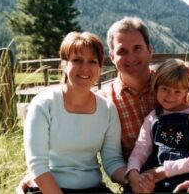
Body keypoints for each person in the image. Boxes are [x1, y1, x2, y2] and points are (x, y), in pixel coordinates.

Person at [18, 16, 189, 193]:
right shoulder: (107, 101)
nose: (131, 57)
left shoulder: (176, 88)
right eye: (122, 51)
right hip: (142, 185)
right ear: (112, 58)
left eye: (137, 48)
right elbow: (53, 158)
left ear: (149, 50)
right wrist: (134, 178)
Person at [21, 31, 127, 194]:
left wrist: (134, 179)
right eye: (77, 60)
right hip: (48, 189)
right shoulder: (44, 104)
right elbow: (37, 165)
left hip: (93, 190)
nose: (85, 68)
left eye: (92, 61)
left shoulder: (107, 109)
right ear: (64, 64)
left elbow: (112, 161)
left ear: (99, 68)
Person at [125, 59, 189, 192]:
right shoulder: (152, 117)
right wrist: (133, 172)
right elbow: (140, 151)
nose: (170, 96)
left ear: (187, 91)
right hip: (153, 179)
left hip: (187, 179)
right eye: (165, 89)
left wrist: (164, 171)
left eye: (177, 91)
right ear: (156, 87)